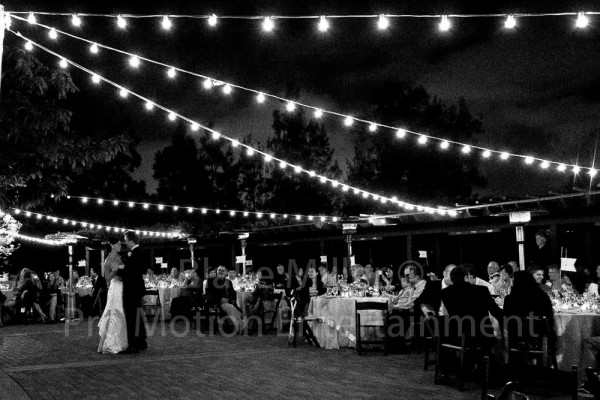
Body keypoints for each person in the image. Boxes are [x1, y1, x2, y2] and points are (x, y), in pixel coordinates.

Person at [441, 265, 503, 349]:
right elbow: (495, 311)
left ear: (452, 279)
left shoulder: (445, 293)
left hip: (457, 337)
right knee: (500, 339)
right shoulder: (482, 290)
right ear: (466, 277)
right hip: (482, 336)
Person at [503, 270, 556, 349]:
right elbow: (550, 318)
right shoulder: (542, 297)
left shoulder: (509, 299)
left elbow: (505, 320)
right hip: (538, 336)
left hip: (516, 337)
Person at [117, 231, 147, 353]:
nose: (125, 242)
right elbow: (142, 269)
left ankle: (133, 344)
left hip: (131, 290)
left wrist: (119, 271)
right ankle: (141, 341)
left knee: (131, 317)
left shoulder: (135, 253)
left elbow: (130, 272)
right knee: (137, 315)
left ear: (130, 240)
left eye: (125, 239)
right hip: (137, 289)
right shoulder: (139, 252)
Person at [98, 238, 128, 354]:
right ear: (111, 245)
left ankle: (121, 341)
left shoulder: (119, 256)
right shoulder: (109, 258)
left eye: (120, 243)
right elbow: (106, 278)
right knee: (116, 313)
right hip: (115, 287)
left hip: (122, 285)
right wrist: (115, 270)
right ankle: (112, 343)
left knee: (121, 313)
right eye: (118, 243)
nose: (120, 245)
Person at [205, 265, 242, 334]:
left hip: (228, 302)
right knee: (230, 307)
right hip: (217, 303)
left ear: (225, 272)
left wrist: (230, 300)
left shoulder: (228, 281)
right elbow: (209, 294)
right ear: (217, 271)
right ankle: (240, 328)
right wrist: (220, 299)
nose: (220, 272)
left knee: (240, 311)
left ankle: (235, 326)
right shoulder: (211, 281)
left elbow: (233, 293)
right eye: (219, 270)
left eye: (222, 270)